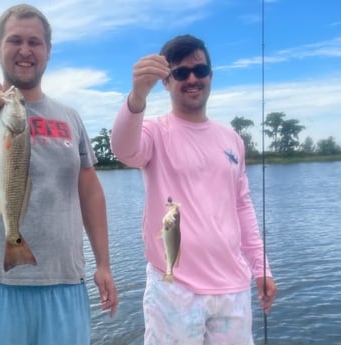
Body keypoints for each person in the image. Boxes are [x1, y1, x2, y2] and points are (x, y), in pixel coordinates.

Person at [0, 4, 117, 345]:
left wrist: (104, 263)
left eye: (35, 42)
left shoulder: (70, 117)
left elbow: (90, 192)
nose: (25, 50)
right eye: (14, 40)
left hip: (66, 282)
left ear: (48, 51)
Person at [111, 34, 277, 344]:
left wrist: (261, 267)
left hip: (233, 288)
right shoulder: (154, 131)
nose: (192, 79)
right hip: (174, 287)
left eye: (200, 70)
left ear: (210, 75)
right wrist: (136, 98)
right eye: (181, 72)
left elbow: (242, 208)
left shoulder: (232, 139)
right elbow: (123, 150)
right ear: (166, 80)